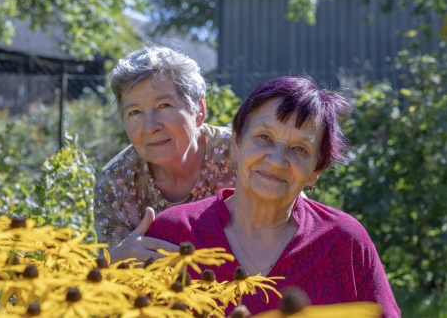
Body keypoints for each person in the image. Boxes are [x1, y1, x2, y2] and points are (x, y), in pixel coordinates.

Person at [146, 76, 401, 317]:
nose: (277, 161)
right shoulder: (174, 233)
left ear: (316, 172)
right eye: (264, 137)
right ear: (236, 143)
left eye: (299, 149)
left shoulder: (344, 241)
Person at [94, 45, 237, 262]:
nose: (150, 127)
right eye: (134, 112)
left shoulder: (241, 156)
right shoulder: (116, 184)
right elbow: (112, 275)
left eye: (164, 105)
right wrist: (117, 261)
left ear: (199, 109)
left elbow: (295, 220)